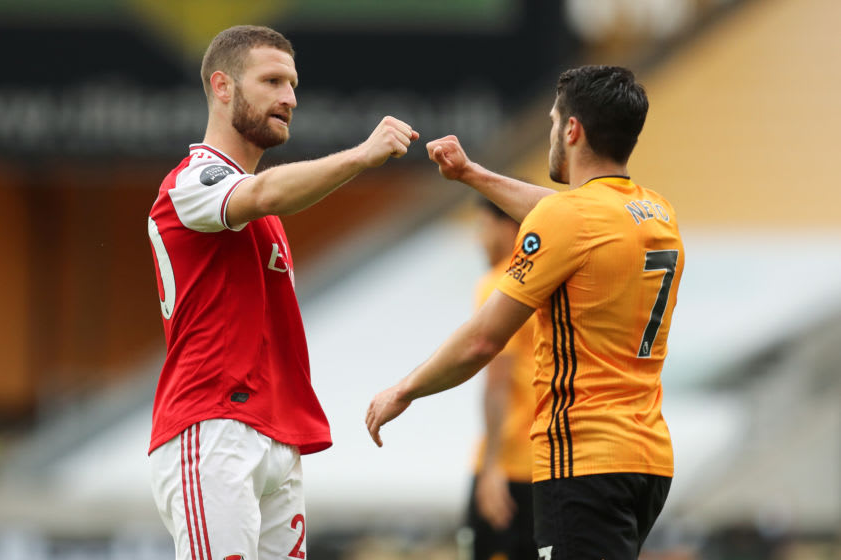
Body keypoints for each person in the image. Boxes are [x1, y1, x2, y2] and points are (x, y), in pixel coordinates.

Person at [366, 65, 684, 560]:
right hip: (646, 460)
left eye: (555, 122)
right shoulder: (657, 212)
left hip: (582, 460)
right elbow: (563, 213)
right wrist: (471, 174)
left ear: (573, 130)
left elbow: (482, 342)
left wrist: (405, 389)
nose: (553, 131)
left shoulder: (570, 220)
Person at [147, 25, 418, 560]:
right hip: (213, 426)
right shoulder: (192, 179)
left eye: (293, 85)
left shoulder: (265, 216)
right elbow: (266, 191)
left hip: (276, 435)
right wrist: (362, 156)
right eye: (272, 81)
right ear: (221, 87)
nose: (290, 98)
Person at [464, 199, 538, 560]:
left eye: (482, 226)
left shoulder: (500, 285)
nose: (479, 239)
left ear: (508, 228)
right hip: (554, 465)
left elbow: (497, 381)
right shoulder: (553, 284)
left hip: (510, 465)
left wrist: (492, 468)